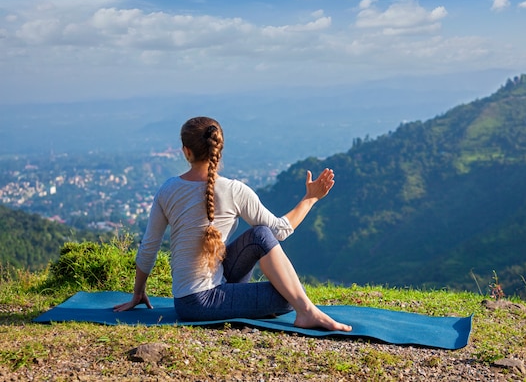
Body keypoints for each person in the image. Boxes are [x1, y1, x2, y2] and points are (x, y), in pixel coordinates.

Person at [114, 116, 351, 332]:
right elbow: (281, 230)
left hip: (189, 298)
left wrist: (138, 293)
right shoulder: (235, 190)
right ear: (219, 148)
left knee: (260, 235)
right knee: (288, 297)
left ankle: (303, 309)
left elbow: (148, 248)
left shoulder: (168, 189)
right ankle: (306, 312)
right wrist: (310, 199)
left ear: (186, 152)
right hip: (199, 303)